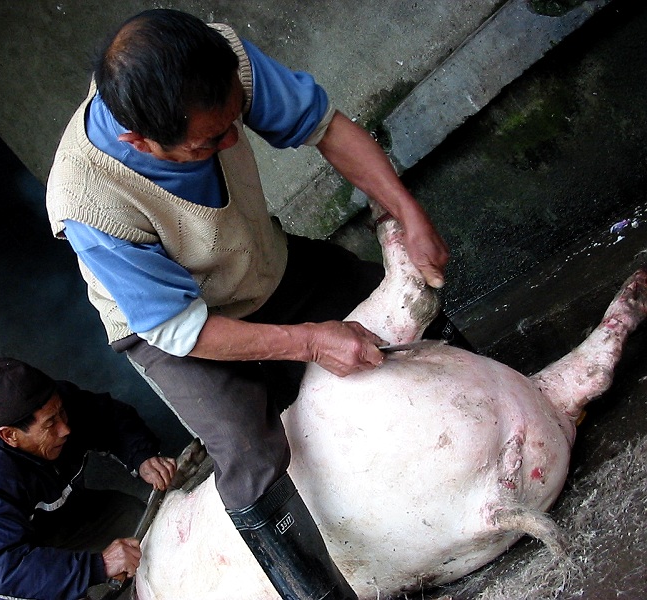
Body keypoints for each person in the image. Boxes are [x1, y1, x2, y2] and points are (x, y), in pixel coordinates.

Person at [46, 9, 471, 599]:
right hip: (173, 331)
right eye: (209, 142)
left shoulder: (218, 64)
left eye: (233, 122)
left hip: (257, 263)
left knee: (385, 296)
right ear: (138, 141)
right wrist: (314, 339)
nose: (232, 141)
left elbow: (325, 128)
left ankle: (495, 410)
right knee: (250, 451)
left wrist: (408, 210)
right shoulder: (89, 203)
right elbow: (182, 330)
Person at [0, 357, 176, 600]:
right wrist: (97, 567)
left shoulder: (52, 403)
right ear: (10, 435)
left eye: (61, 414)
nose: (65, 428)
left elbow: (109, 418)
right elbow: (1, 567)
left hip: (45, 512)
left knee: (137, 519)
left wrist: (142, 456)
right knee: (48, 586)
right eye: (50, 424)